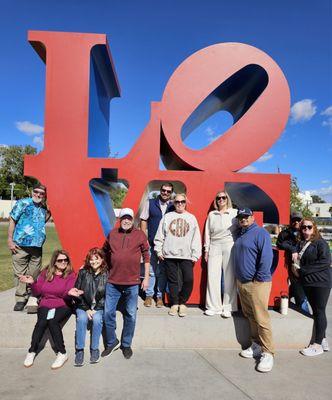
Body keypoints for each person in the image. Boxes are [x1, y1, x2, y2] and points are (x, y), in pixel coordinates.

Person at [102, 208, 150, 359]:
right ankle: (111, 342)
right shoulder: (112, 234)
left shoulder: (140, 235)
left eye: (129, 218)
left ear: (133, 220)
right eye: (124, 218)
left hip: (132, 282)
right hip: (113, 282)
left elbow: (147, 257)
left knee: (131, 315)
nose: (126, 221)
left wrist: (146, 278)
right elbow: (103, 252)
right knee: (108, 313)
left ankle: (126, 344)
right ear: (120, 219)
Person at [20, 250, 76, 369]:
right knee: (41, 323)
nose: (63, 262)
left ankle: (62, 353)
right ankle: (32, 351)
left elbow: (65, 294)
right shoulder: (46, 273)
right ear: (54, 262)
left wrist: (70, 293)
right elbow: (38, 292)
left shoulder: (71, 274)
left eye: (66, 260)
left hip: (63, 304)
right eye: (60, 260)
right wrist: (32, 283)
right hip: (45, 303)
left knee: (53, 321)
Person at [234, 208, 275, 373]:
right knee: (250, 316)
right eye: (240, 217)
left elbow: (266, 258)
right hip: (243, 283)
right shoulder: (242, 233)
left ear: (252, 217)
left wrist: (258, 279)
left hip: (257, 283)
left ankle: (268, 353)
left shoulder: (260, 233)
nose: (243, 219)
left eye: (246, 216)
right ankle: (256, 344)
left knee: (261, 318)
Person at [154, 193, 202, 317]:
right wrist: (159, 250)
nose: (180, 204)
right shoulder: (167, 217)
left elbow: (196, 238)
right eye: (177, 202)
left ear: (185, 203)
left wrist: (195, 255)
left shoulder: (191, 218)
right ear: (173, 203)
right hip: (169, 255)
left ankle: (183, 302)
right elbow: (160, 235)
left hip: (186, 255)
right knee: (173, 281)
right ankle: (174, 303)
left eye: (182, 201)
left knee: (188, 279)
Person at [8, 183, 51, 311]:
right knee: (20, 273)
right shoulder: (23, 203)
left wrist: (48, 211)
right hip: (20, 245)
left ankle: (32, 295)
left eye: (41, 193)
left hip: (37, 246)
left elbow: (44, 220)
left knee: (34, 273)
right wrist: (10, 239)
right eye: (36, 192)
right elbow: (12, 220)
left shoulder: (43, 207)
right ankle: (20, 298)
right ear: (32, 192)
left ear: (44, 195)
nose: (38, 195)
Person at [294, 218, 331, 356]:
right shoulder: (300, 243)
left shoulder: (320, 243)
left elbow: (325, 262)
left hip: (321, 282)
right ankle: (323, 339)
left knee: (319, 311)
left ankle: (317, 345)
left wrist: (303, 270)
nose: (306, 229)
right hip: (308, 282)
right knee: (316, 311)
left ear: (314, 228)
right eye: (303, 227)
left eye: (309, 227)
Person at [71, 248, 108, 366]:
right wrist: (86, 308)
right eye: (91, 260)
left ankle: (94, 349)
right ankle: (80, 350)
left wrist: (95, 309)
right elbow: (77, 293)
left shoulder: (107, 274)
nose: (94, 262)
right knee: (81, 319)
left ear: (102, 260)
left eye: (96, 259)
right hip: (83, 306)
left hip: (99, 307)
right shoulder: (83, 272)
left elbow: (107, 296)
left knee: (97, 320)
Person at [204, 190, 238, 317]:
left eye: (223, 198)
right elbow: (207, 233)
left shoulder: (234, 213)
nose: (221, 200)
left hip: (230, 244)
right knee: (212, 276)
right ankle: (213, 306)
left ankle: (228, 307)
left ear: (227, 199)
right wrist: (206, 250)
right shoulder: (212, 214)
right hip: (214, 245)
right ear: (216, 201)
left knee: (230, 277)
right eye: (218, 198)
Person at [140, 182, 174, 307]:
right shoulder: (150, 203)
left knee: (163, 271)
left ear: (171, 193)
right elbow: (144, 220)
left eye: (168, 191)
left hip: (168, 245)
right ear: (160, 190)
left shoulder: (173, 206)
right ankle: (149, 295)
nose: (165, 193)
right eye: (163, 190)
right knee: (151, 270)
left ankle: (159, 297)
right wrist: (144, 240)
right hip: (151, 243)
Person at [276, 211, 309, 312]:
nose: (296, 222)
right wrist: (292, 249)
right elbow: (279, 244)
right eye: (294, 220)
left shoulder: (305, 232)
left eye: (298, 220)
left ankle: (306, 318)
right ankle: (306, 316)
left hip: (305, 269)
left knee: (300, 295)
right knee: (300, 296)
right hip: (291, 268)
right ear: (290, 221)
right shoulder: (284, 233)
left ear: (301, 221)